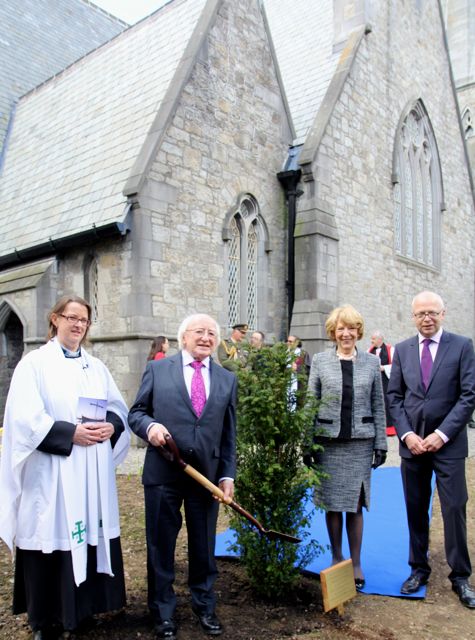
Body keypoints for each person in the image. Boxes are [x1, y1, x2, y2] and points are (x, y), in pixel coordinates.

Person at [0, 295, 130, 640]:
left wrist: (112, 426)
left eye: (84, 320)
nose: (78, 325)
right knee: (52, 537)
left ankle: (84, 609)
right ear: (55, 319)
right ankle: (47, 620)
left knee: (88, 533)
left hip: (90, 476)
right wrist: (69, 432)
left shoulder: (96, 366)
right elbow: (24, 418)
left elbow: (119, 409)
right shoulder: (35, 364)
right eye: (71, 318)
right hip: (53, 471)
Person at [128, 314, 237, 639]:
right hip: (163, 473)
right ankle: (162, 612)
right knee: (161, 545)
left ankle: (205, 606)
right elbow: (136, 413)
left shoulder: (227, 379)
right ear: (183, 338)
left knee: (204, 546)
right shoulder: (158, 370)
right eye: (199, 332)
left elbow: (229, 433)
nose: (206, 337)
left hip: (206, 476)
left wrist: (227, 474)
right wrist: (150, 427)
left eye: (212, 333)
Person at [387, 291, 475, 607]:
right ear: (413, 316)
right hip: (413, 446)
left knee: (454, 508)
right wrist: (407, 434)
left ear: (443, 313)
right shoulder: (403, 350)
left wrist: (442, 434)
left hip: (448, 445)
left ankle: (461, 576)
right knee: (415, 508)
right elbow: (394, 397)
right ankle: (418, 568)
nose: (427, 318)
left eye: (432, 313)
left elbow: (469, 395)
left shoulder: (462, 346)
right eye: (421, 313)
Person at [306, 305, 387, 590]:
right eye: (341, 328)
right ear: (333, 332)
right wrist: (307, 441)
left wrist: (381, 443)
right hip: (328, 443)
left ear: (358, 331)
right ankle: (337, 557)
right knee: (331, 503)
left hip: (360, 443)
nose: (346, 333)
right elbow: (310, 402)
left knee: (354, 505)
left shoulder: (370, 363)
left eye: (351, 328)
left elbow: (378, 403)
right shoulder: (319, 361)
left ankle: (355, 562)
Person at [368, 330, 396, 436]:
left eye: (373, 339)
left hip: (386, 380)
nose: (371, 341)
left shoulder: (391, 350)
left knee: (387, 402)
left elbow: (396, 365)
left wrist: (384, 368)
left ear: (380, 339)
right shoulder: (369, 351)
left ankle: (390, 429)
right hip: (374, 380)